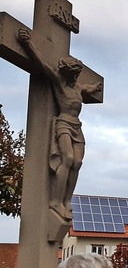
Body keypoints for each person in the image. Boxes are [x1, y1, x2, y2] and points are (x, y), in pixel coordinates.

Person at [17, 28, 103, 220]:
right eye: (73, 74)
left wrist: (96, 87)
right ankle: (55, 200)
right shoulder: (58, 82)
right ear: (66, 72)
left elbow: (90, 87)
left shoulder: (78, 89)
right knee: (68, 159)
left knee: (78, 163)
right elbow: (43, 63)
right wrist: (27, 43)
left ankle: (67, 200)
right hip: (63, 123)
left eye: (77, 74)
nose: (75, 77)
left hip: (77, 127)